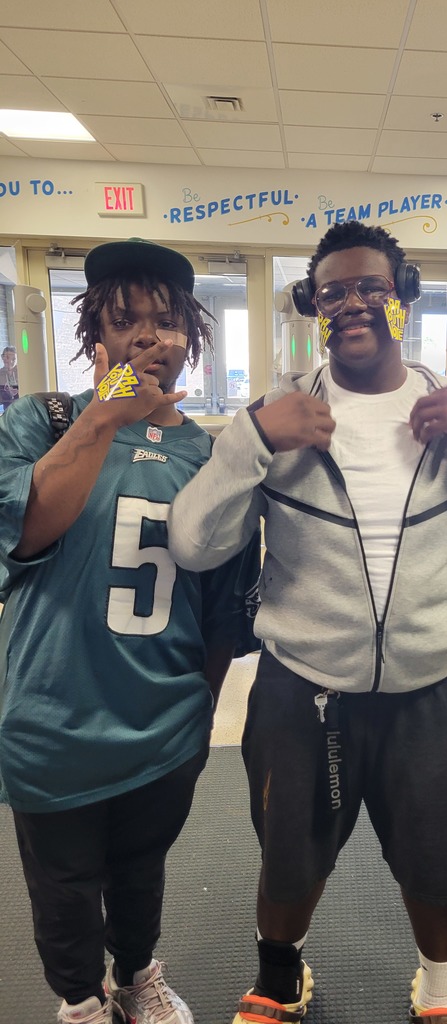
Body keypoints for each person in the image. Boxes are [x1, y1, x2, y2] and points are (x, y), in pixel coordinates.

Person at [167, 220, 447, 1023]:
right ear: (315, 308)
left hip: (433, 689)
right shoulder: (276, 419)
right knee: (288, 857)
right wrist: (248, 439)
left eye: (370, 288)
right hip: (300, 687)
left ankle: (440, 988)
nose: (351, 304)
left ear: (404, 298)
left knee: (441, 863)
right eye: (332, 292)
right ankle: (280, 978)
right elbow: (196, 544)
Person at [0, 238, 258, 1024]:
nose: (147, 336)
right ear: (96, 338)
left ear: (193, 338)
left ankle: (138, 975)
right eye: (125, 322)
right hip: (53, 720)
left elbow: (221, 612)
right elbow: (31, 527)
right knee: (63, 889)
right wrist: (108, 415)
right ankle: (80, 1003)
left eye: (166, 321)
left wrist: (198, 714)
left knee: (141, 872)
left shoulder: (210, 459)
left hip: (161, 725)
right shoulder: (40, 421)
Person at [0, 343, 19, 410]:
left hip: (22, 410)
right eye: (7, 358)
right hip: (6, 411)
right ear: (3, 358)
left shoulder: (23, 373)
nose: (10, 361)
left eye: (13, 359)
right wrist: (5, 392)